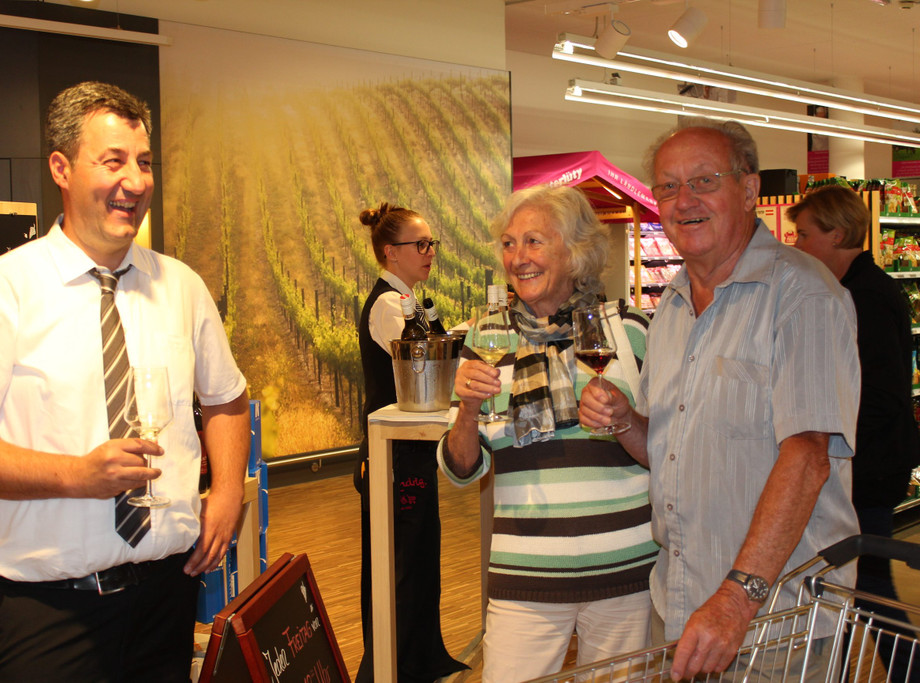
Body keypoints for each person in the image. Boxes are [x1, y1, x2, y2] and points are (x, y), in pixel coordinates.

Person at [0, 81, 251, 681]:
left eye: (144, 163)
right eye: (113, 161)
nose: (136, 181)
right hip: (50, 614)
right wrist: (78, 476)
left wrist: (229, 490)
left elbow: (227, 397)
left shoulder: (181, 287)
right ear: (61, 169)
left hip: (167, 599)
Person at [580, 119, 861, 681]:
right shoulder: (671, 307)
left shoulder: (803, 295)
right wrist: (625, 421)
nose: (684, 200)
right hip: (679, 608)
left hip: (775, 623)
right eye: (667, 186)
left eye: (704, 181)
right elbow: (668, 450)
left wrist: (736, 598)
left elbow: (808, 458)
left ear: (750, 189)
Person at [439, 185, 658, 683]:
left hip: (625, 571)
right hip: (525, 575)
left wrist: (624, 419)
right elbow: (461, 469)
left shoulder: (629, 330)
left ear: (575, 250)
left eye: (534, 241)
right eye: (509, 244)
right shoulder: (487, 337)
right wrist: (467, 410)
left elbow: (668, 453)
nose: (518, 257)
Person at [787, 184, 920, 681]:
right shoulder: (851, 289)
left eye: (805, 234)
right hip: (865, 466)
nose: (797, 244)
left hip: (869, 470)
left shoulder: (867, 298)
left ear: (837, 234)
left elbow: (881, 397)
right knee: (850, 584)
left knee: (865, 584)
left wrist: (821, 434)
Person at [354, 203, 466, 682]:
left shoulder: (410, 301)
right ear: (390, 252)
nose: (430, 252)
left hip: (411, 451)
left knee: (418, 557)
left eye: (431, 243)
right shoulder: (387, 305)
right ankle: (393, 667)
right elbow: (424, 367)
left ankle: (417, 661)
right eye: (420, 244)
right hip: (392, 456)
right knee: (398, 565)